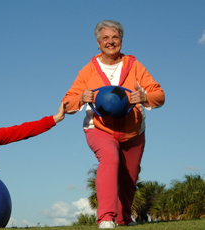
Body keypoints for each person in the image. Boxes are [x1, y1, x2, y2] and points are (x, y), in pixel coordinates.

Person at [62, 20, 165, 229]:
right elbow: (67, 102)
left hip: (133, 130)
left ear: (121, 41)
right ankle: (106, 217)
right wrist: (81, 97)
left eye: (115, 37)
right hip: (99, 128)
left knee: (130, 176)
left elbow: (160, 96)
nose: (111, 42)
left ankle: (124, 218)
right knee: (109, 158)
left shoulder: (135, 65)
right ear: (98, 44)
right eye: (105, 38)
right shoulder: (88, 70)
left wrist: (144, 96)